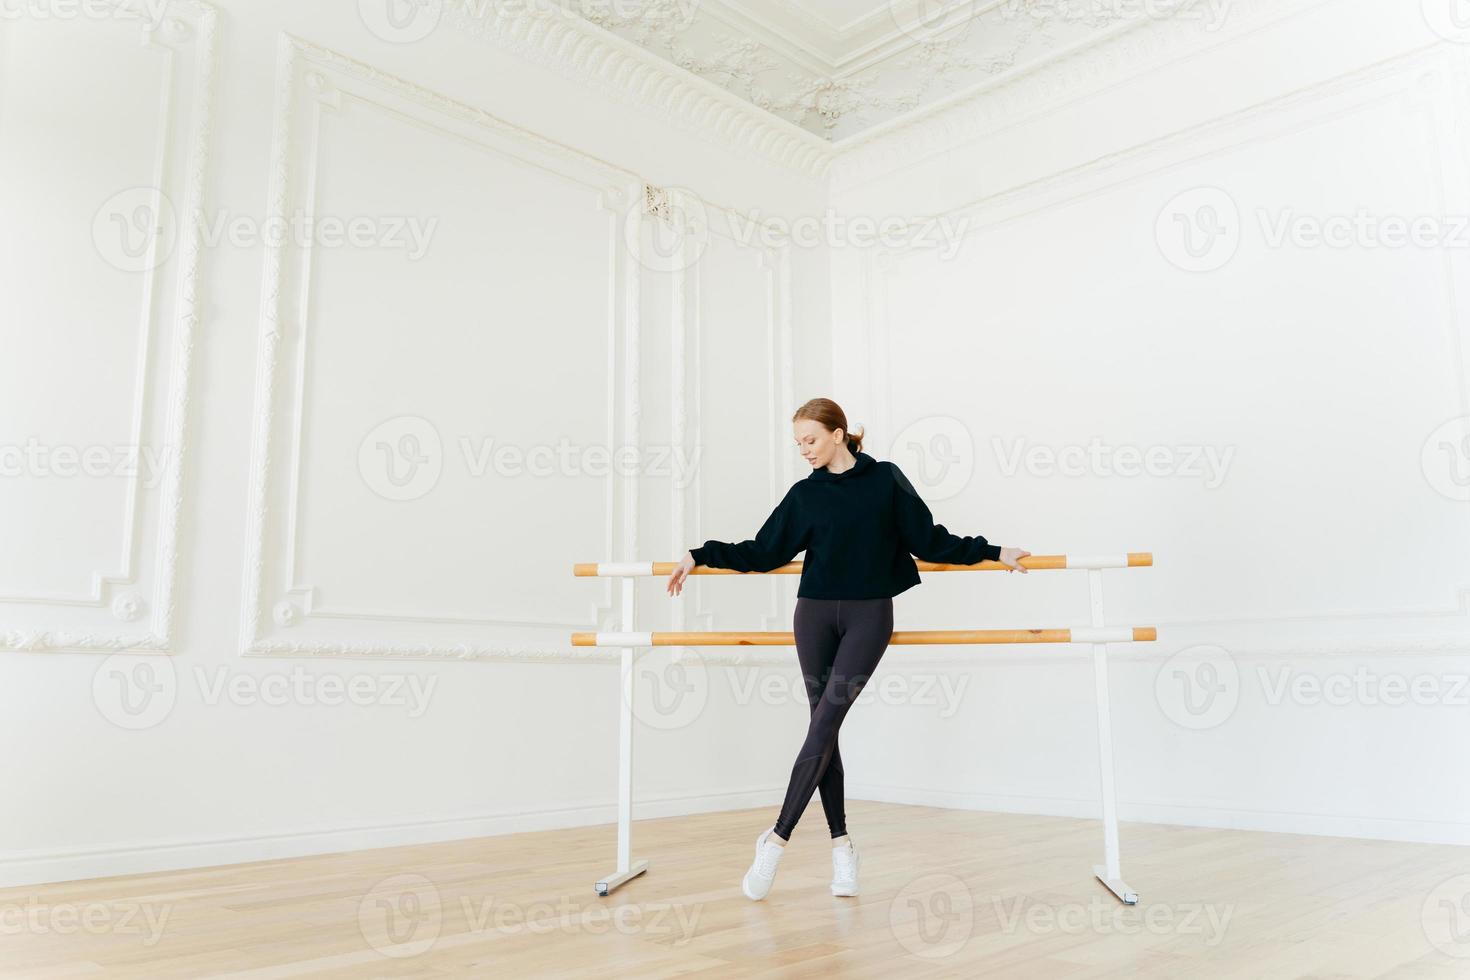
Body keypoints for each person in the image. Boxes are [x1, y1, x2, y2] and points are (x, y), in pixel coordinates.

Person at [666, 397, 1030, 901]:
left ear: (838, 433)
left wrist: (995, 552)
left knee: (825, 719)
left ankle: (775, 840)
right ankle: (842, 848)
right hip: (813, 613)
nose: (804, 451)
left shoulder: (885, 480)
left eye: (810, 440)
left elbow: (930, 540)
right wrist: (699, 554)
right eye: (798, 444)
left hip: (868, 614)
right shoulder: (804, 495)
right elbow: (764, 552)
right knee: (824, 727)